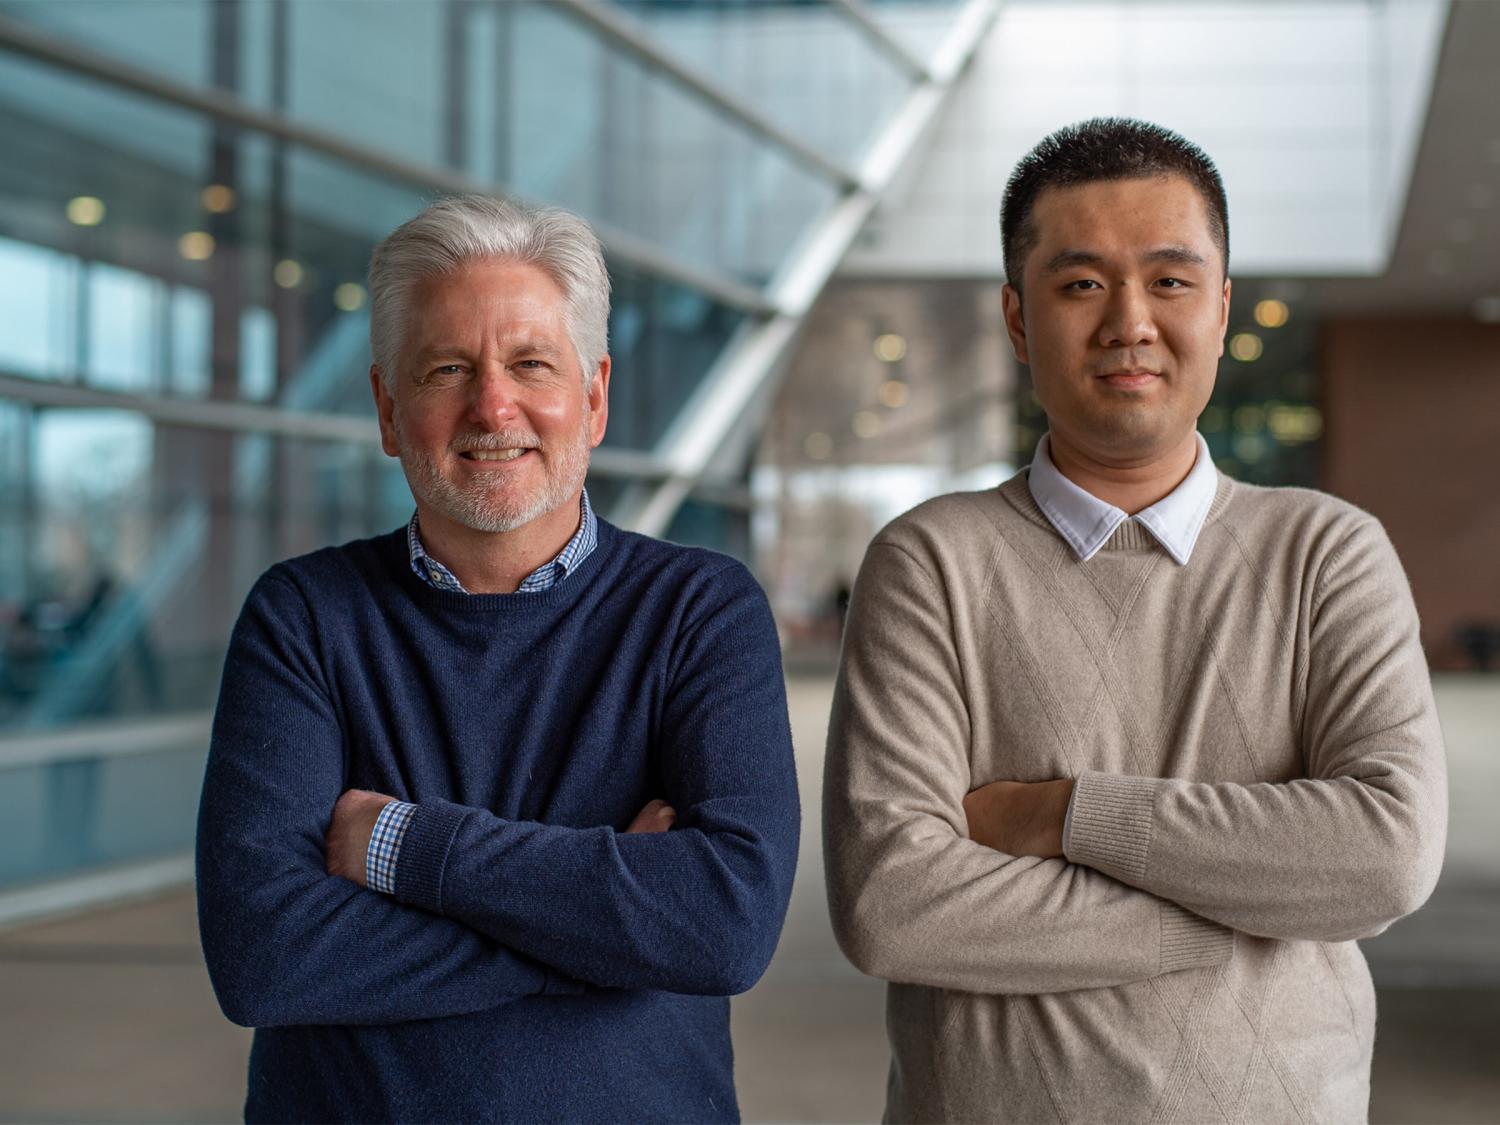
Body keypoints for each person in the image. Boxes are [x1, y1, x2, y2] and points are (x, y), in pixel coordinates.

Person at [824, 118, 1446, 1123]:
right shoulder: (930, 562)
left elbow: (1383, 855)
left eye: (1170, 279)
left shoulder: (1328, 553)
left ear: (1221, 305)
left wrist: (1061, 815)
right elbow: (892, 908)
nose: (1129, 323)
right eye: (1080, 285)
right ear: (1019, 322)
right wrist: (1252, 902)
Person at [197, 195, 800, 1123]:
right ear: (389, 410)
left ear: (593, 398)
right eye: (447, 368)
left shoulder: (699, 611)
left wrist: (404, 845)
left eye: (530, 364)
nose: (493, 405)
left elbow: (722, 925)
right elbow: (263, 954)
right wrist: (606, 929)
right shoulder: (304, 616)